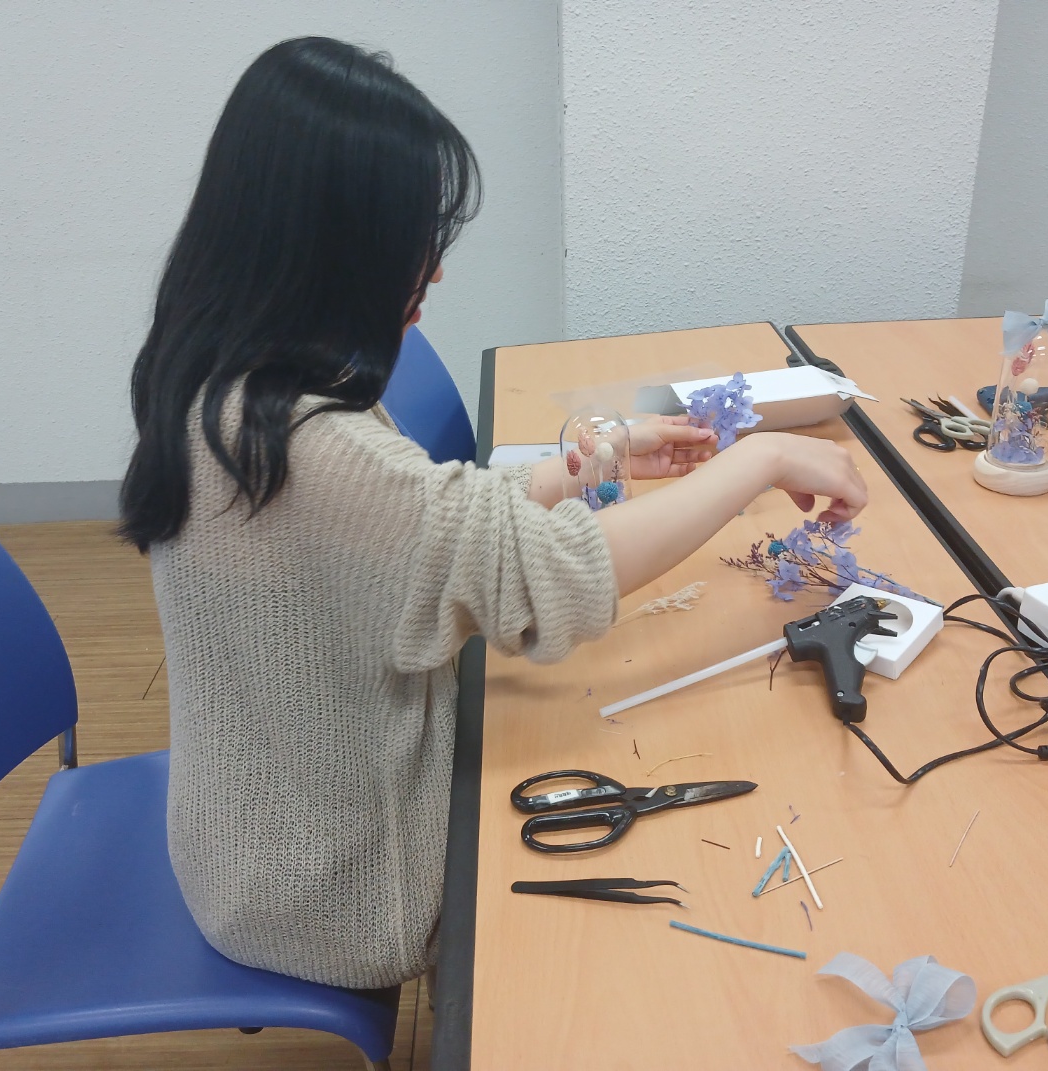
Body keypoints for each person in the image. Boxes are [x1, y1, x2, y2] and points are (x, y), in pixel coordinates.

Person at [118, 37, 866, 991]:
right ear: (332, 251)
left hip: (254, 833)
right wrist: (760, 459)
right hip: (331, 888)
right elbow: (546, 574)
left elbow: (422, 527)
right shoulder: (303, 446)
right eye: (410, 250)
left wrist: (592, 460)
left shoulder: (229, 383)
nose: (429, 277)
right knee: (626, 953)